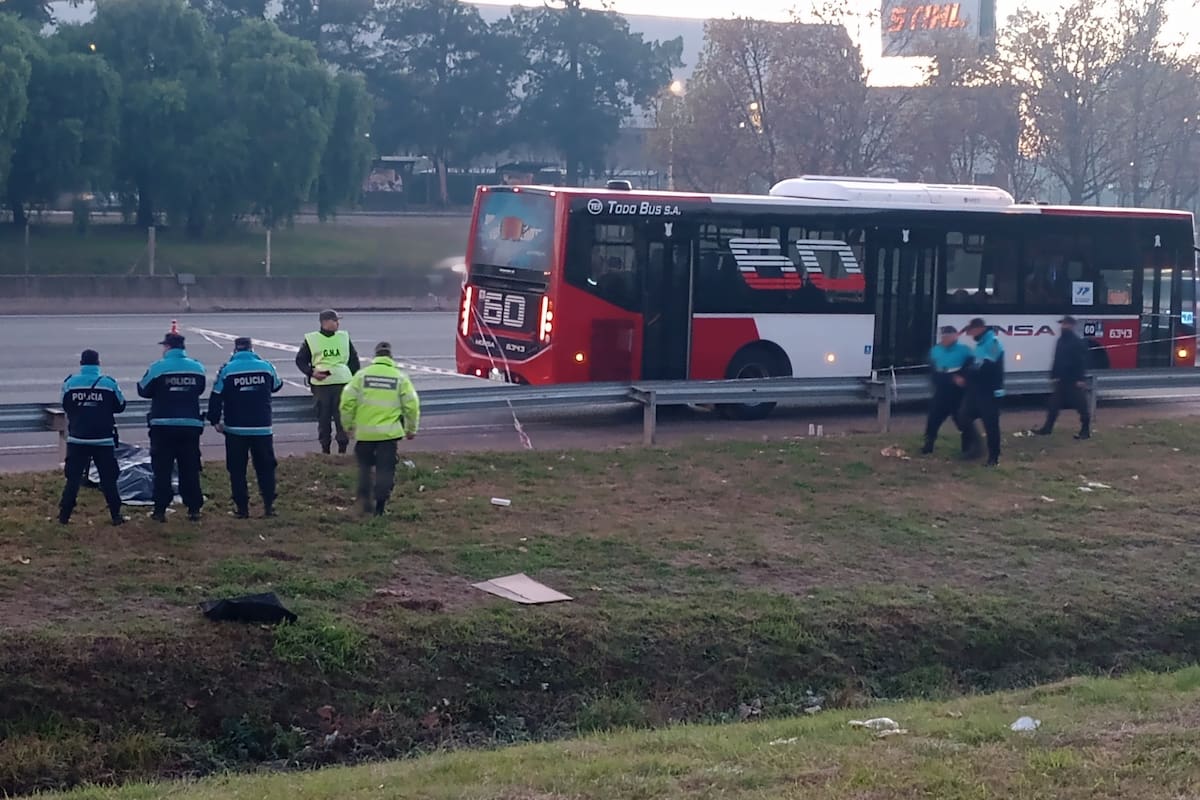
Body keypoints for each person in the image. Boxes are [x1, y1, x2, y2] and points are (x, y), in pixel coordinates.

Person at [339, 341, 420, 516]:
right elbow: (412, 406)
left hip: (365, 434)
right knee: (385, 470)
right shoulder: (399, 378)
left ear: (375, 357)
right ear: (390, 357)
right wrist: (411, 429)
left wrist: (348, 426)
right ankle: (380, 507)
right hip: (388, 435)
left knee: (364, 467)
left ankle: (364, 499)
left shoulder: (361, 376)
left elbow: (346, 402)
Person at [208, 337, 283, 519]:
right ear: (252, 348)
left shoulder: (226, 370)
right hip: (262, 428)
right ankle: (268, 506)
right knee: (266, 468)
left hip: (236, 429)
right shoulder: (266, 366)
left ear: (235, 350)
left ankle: (242, 509)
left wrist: (214, 420)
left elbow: (216, 396)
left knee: (237, 470)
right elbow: (277, 385)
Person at [138, 332, 206, 522]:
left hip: (163, 426)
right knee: (190, 468)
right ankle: (194, 509)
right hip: (190, 426)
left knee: (162, 469)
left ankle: (160, 510)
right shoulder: (197, 368)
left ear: (167, 347)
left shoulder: (158, 368)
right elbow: (200, 389)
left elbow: (143, 389)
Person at [58, 349, 127, 526]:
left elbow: (65, 405)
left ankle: (64, 516)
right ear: (98, 364)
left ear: (81, 364)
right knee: (108, 479)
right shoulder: (108, 383)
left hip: (77, 439)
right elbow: (120, 406)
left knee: (72, 479)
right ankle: (116, 515)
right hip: (103, 440)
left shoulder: (70, 383)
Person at [296, 309, 361, 455]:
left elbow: (354, 361)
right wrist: (311, 372)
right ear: (326, 322)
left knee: (342, 419)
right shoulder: (312, 339)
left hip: (342, 384)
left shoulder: (343, 337)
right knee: (324, 419)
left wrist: (354, 381)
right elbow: (300, 360)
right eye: (335, 320)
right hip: (322, 386)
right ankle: (325, 450)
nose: (338, 323)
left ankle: (342, 450)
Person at [1033, 315, 1092, 440]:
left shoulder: (1076, 342)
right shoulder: (1060, 340)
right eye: (1062, 324)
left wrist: (1080, 379)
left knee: (1082, 406)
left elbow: (1081, 362)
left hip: (1073, 380)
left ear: (1071, 326)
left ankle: (1085, 430)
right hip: (1062, 380)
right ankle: (1047, 428)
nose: (1062, 326)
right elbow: (1057, 359)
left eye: (1065, 324)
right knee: (1053, 405)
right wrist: (1054, 375)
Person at [958, 317, 1006, 467]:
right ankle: (976, 447)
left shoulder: (993, 343)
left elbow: (987, 367)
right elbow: (975, 364)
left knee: (991, 426)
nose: (970, 335)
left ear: (979, 329)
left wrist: (969, 373)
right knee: (963, 417)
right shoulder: (980, 344)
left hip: (990, 391)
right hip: (977, 390)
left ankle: (994, 457)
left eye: (971, 331)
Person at [921, 326, 974, 455]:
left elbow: (970, 370)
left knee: (963, 421)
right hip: (942, 391)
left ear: (955, 336)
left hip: (959, 394)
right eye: (944, 336)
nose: (947, 339)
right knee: (933, 419)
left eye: (950, 336)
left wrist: (963, 378)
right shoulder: (935, 351)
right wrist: (951, 378)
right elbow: (933, 374)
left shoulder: (965, 351)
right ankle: (928, 445)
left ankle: (967, 448)